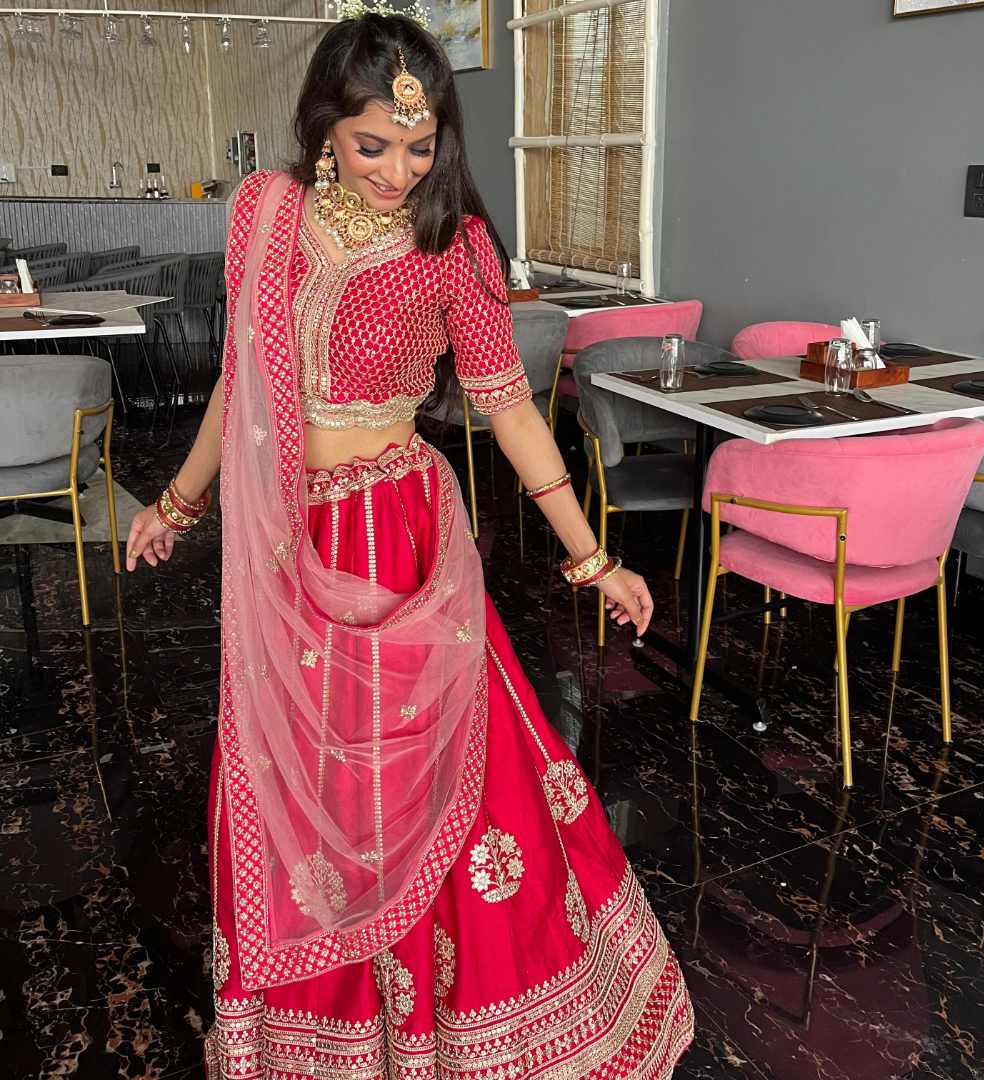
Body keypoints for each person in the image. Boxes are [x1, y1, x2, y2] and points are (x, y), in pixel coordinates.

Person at [125, 8, 693, 1077]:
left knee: (433, 777)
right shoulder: (268, 216)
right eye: (371, 145)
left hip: (395, 533)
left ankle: (457, 1026)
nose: (398, 172)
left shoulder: (452, 245)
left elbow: (511, 410)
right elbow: (242, 385)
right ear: (324, 129)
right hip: (290, 539)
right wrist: (179, 503)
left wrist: (593, 557)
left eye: (420, 146)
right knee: (304, 783)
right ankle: (324, 1031)